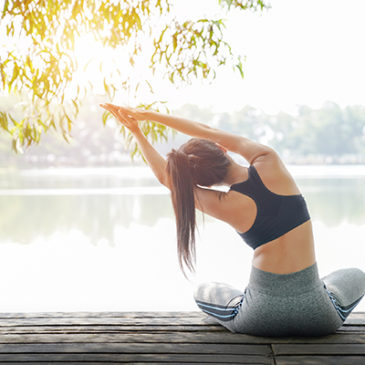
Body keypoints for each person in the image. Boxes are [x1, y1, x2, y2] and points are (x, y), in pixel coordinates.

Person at [100, 102, 365, 337]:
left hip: (259, 318)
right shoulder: (267, 160)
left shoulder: (224, 204)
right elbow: (206, 131)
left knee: (204, 290)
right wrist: (146, 115)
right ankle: (318, 293)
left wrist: (136, 133)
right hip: (318, 317)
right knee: (356, 276)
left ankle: (245, 302)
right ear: (221, 149)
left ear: (201, 182)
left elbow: (167, 179)